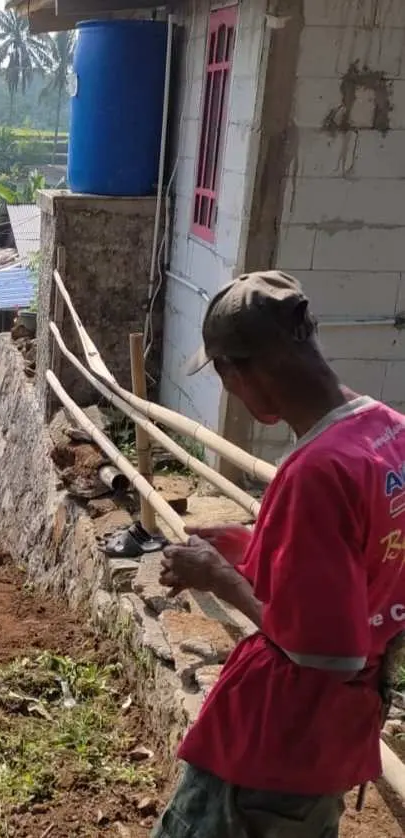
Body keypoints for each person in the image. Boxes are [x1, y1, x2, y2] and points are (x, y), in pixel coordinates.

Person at [152, 270, 405, 838]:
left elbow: (324, 653)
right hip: (335, 738)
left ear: (237, 371)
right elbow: (363, 559)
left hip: (276, 746)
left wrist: (220, 579)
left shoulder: (315, 471)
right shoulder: (390, 433)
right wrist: (252, 546)